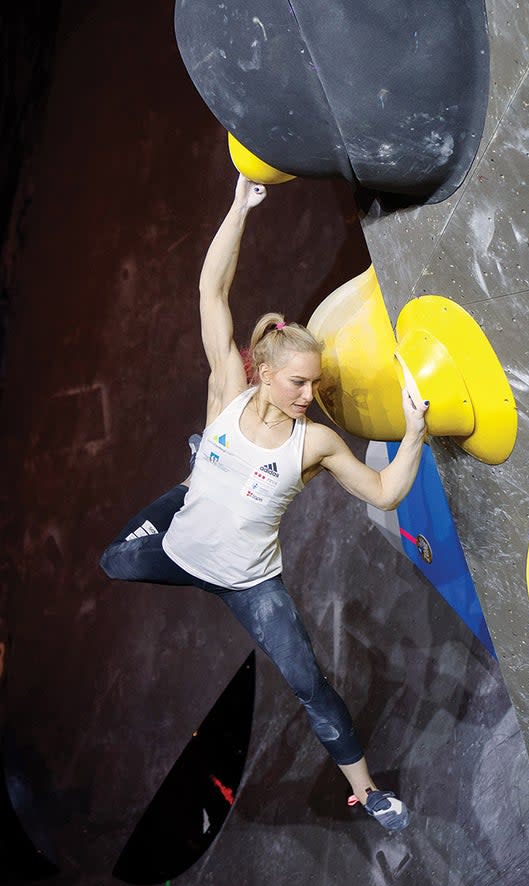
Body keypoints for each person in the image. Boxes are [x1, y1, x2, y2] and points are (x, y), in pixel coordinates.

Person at [100, 176, 428, 830]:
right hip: (183, 552)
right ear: (266, 371)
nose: (311, 393)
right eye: (300, 382)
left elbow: (388, 490)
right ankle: (197, 481)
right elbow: (210, 289)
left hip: (252, 583)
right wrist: (239, 206)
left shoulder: (315, 444)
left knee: (310, 686)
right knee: (115, 560)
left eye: (317, 383)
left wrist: (414, 431)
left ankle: (368, 791)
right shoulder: (228, 387)